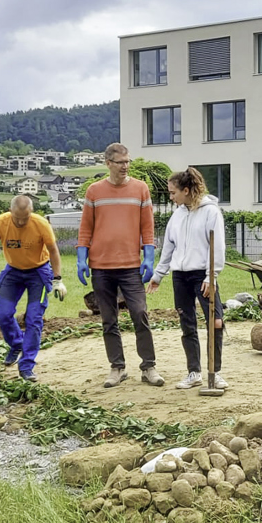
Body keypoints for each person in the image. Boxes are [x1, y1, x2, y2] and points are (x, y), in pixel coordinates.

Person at [77, 143, 161, 388]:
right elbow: (86, 227)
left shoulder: (140, 189)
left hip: (130, 266)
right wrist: (82, 257)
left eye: (127, 161)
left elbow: (147, 226)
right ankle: (117, 367)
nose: (125, 166)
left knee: (139, 313)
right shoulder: (94, 191)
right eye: (120, 162)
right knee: (108, 319)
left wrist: (148, 256)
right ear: (108, 163)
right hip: (101, 266)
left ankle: (148, 366)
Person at [149, 168, 227, 391]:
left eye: (173, 193)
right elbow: (168, 247)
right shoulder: (177, 215)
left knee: (215, 322)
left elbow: (217, 246)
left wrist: (211, 276)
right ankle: (194, 372)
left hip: (202, 275)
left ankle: (215, 372)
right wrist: (158, 275)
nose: (171, 197)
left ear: (186, 190)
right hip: (180, 276)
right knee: (187, 324)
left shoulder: (211, 212)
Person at [0, 194, 66, 382]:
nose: (22, 222)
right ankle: (17, 343)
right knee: (2, 314)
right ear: (10, 211)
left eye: (26, 218)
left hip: (39, 272)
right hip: (13, 271)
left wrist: (58, 280)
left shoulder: (41, 224)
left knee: (34, 318)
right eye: (18, 218)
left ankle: (26, 366)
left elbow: (54, 251)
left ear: (31, 212)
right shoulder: (0, 223)